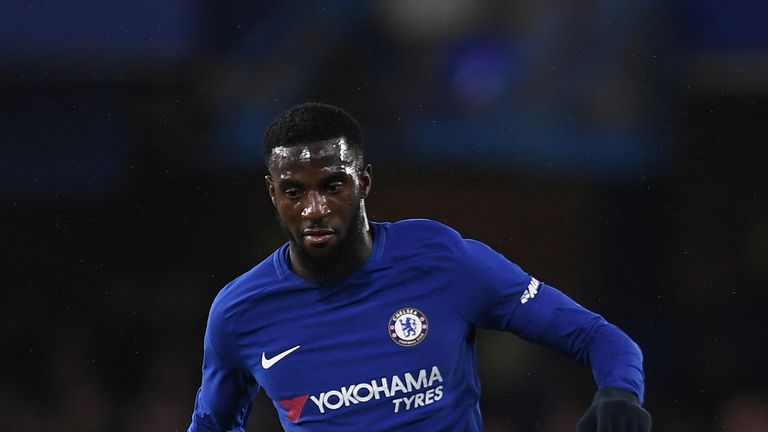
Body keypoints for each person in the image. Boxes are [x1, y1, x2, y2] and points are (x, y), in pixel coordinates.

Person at [188, 102, 652, 432]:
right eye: (294, 192)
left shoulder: (441, 259)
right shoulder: (240, 312)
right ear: (273, 194)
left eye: (332, 186)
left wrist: (620, 393)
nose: (314, 208)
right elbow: (212, 423)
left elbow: (598, 337)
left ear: (364, 181)